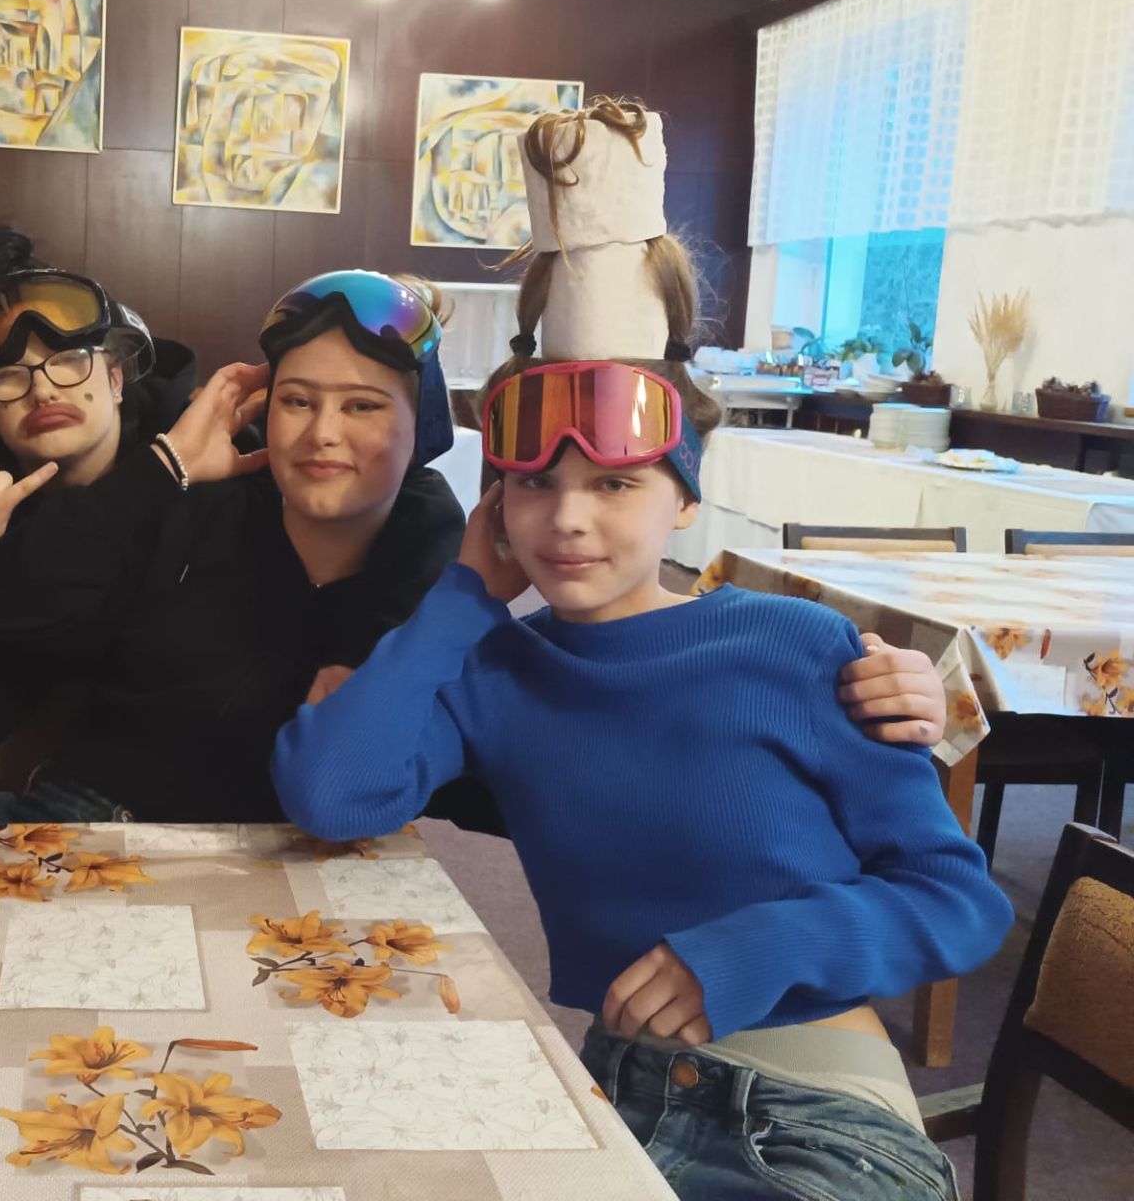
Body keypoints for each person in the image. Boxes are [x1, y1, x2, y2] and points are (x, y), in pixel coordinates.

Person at [270, 99, 1010, 1201]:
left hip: (811, 1112)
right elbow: (331, 792)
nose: (568, 521)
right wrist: (464, 596)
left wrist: (759, 948)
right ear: (496, 502)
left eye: (616, 485)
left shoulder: (800, 647)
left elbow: (959, 899)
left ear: (686, 501)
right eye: (535, 485)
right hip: (617, 1096)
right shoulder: (495, 671)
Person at [0, 269, 470, 822]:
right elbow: (0, 613)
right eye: (297, 401)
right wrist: (165, 467)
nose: (323, 433)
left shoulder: (428, 544)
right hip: (95, 809)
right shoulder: (200, 501)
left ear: (422, 426)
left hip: (297, 838)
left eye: (363, 406)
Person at [0, 226, 200, 783]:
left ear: (115, 378)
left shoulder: (200, 473)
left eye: (67, 360)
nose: (43, 391)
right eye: (9, 376)